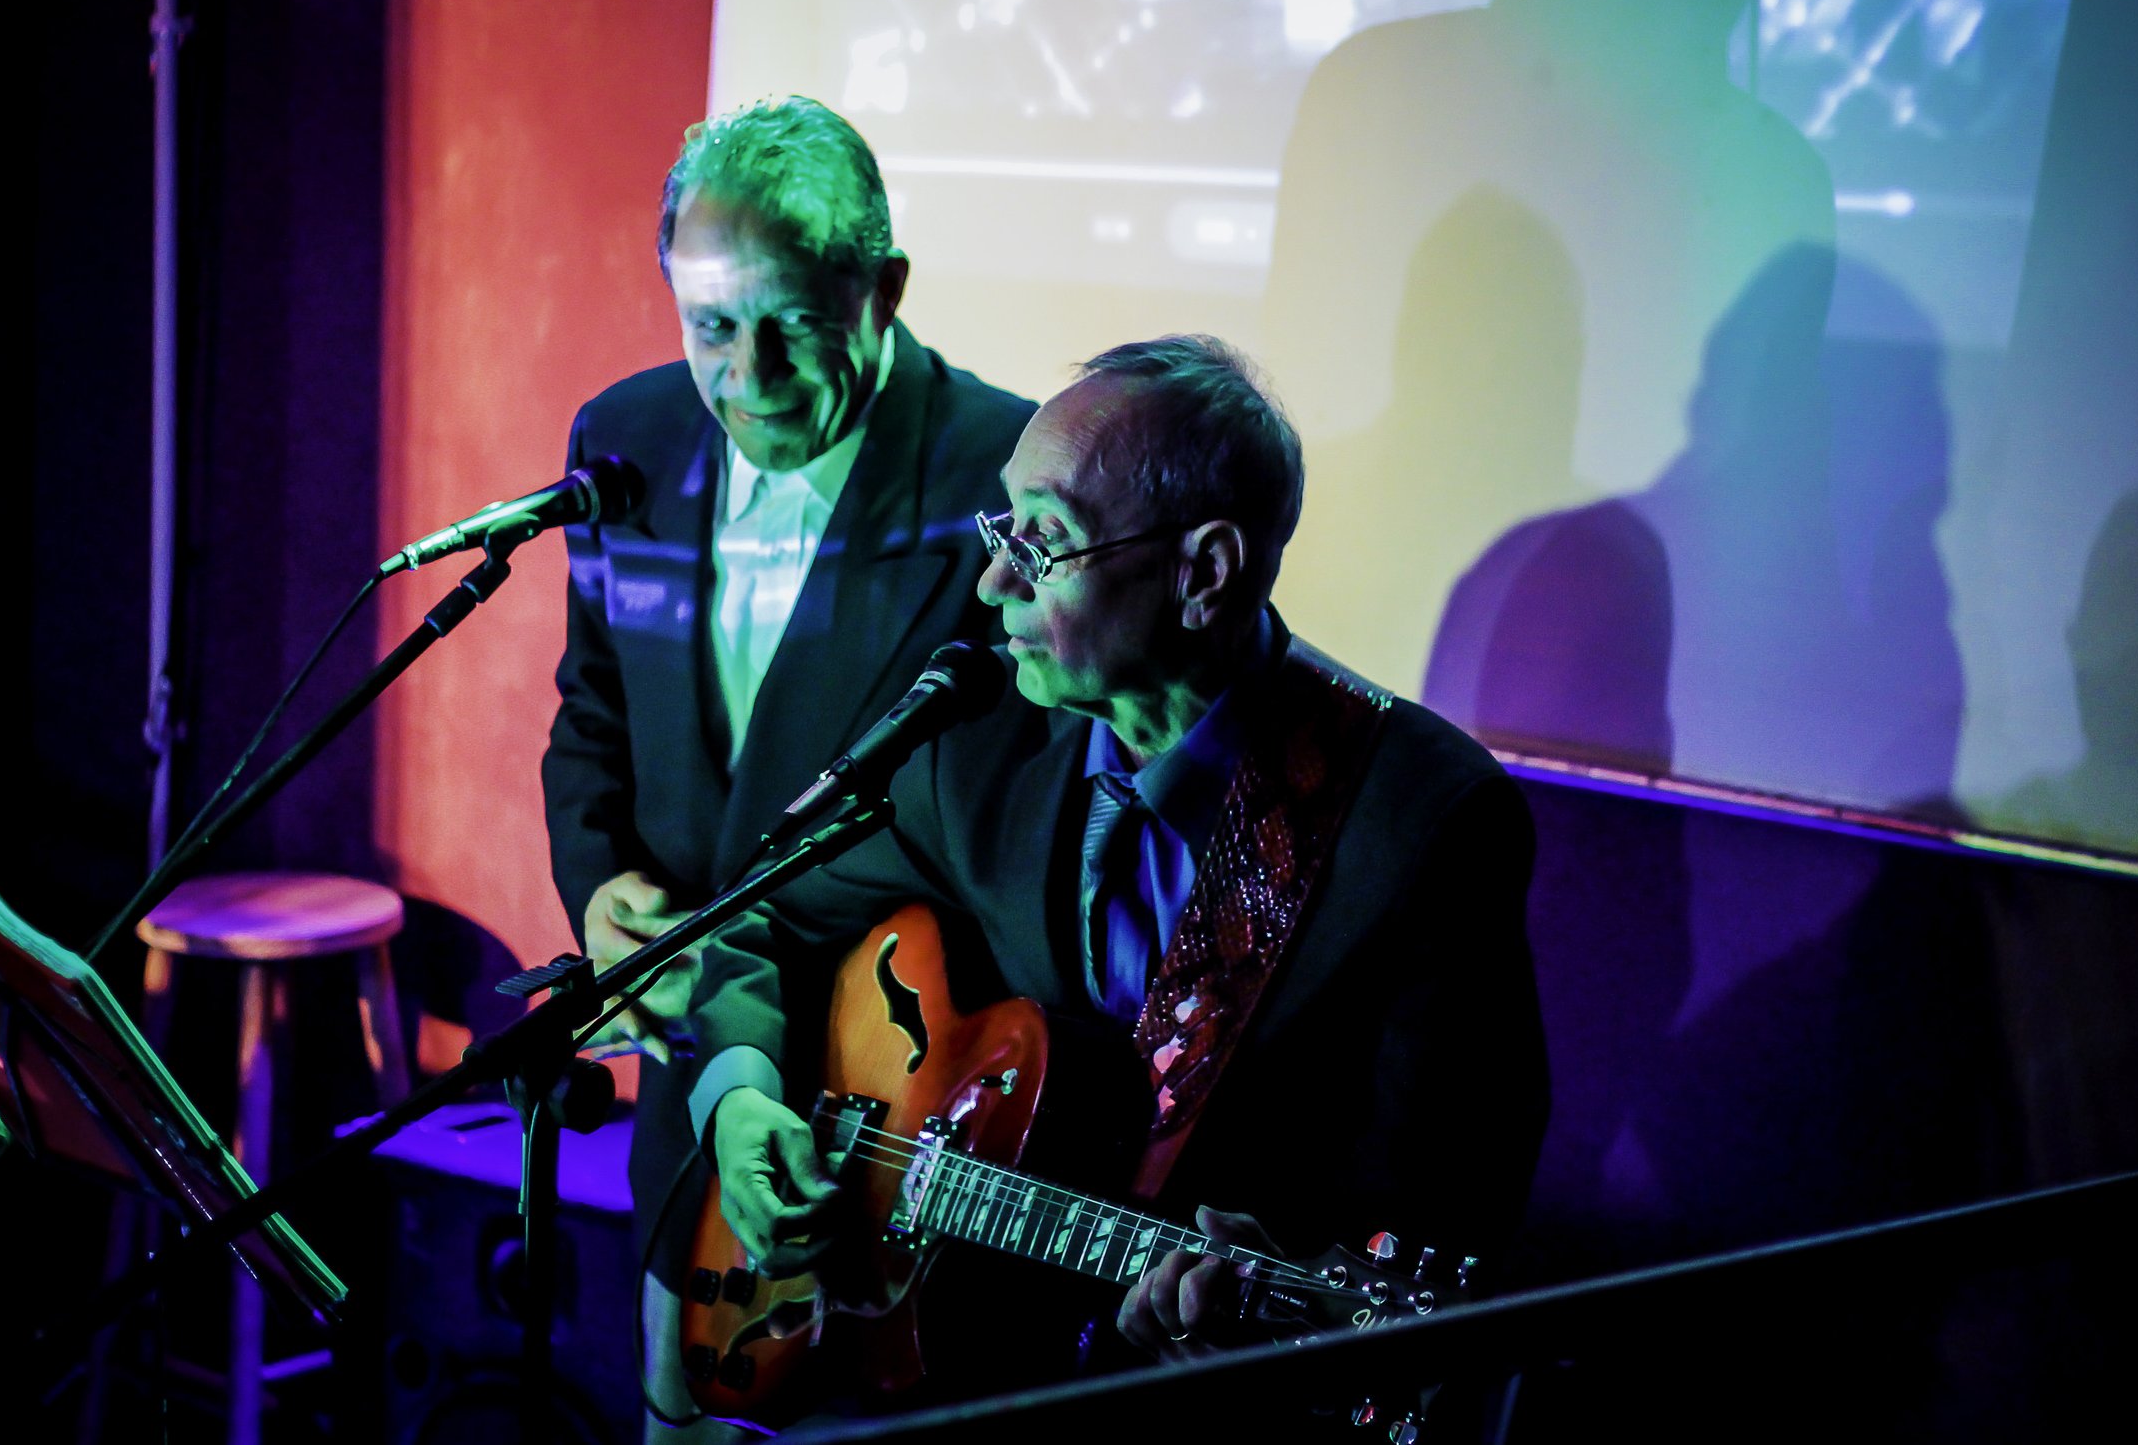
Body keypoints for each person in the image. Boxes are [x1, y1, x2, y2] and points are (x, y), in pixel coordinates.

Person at [690, 335, 1549, 1408]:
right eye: (1003, 524)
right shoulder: (978, 745)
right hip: (962, 1361)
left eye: (1045, 541)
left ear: (1203, 573)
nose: (994, 579)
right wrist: (738, 1103)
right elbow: (758, 925)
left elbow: (1438, 1205)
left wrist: (1253, 1302)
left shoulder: (1419, 820)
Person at [538, 95, 1031, 1434]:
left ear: (885, 289)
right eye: (710, 326)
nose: (747, 372)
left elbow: (1002, 833)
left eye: (794, 324)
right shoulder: (622, 438)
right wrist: (599, 895)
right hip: (692, 1121)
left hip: (908, 1123)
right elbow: (592, 717)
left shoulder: (1011, 469)